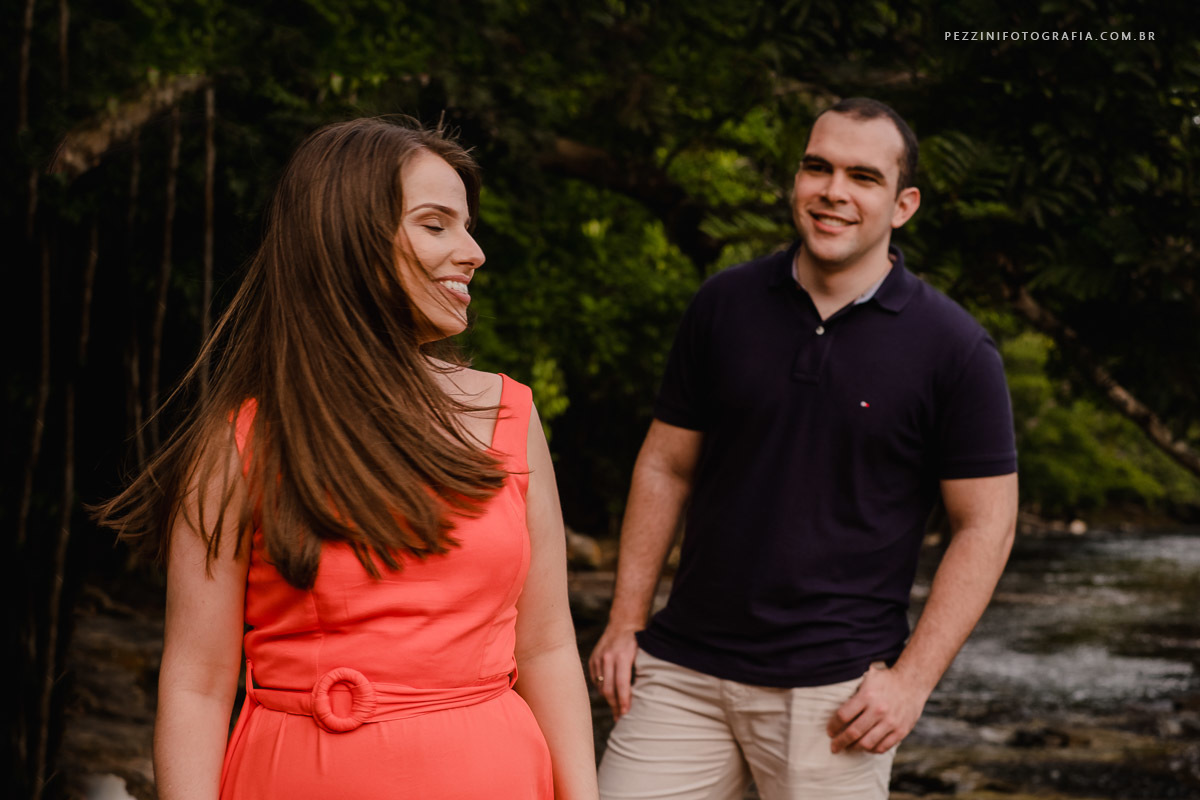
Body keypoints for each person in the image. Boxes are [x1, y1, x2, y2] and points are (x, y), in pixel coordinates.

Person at [96, 118, 599, 800]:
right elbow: (197, 684)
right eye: (436, 224)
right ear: (350, 241)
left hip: (494, 775)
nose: (473, 250)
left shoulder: (507, 415)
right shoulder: (239, 443)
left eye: (467, 226)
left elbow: (545, 647)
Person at [588, 97, 1019, 799]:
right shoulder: (723, 304)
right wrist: (624, 621)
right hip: (682, 674)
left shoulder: (955, 350)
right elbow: (666, 465)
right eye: (817, 168)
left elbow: (988, 524)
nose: (833, 192)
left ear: (903, 205)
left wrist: (911, 682)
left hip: (835, 698)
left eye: (863, 177)